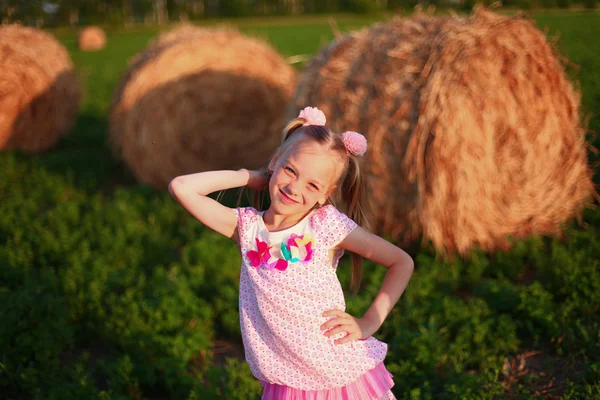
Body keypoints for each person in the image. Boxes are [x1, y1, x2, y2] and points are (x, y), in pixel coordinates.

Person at [169, 106, 414, 400]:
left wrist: (369, 322)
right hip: (288, 381)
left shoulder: (325, 225)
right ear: (275, 161)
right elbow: (181, 187)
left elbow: (400, 261)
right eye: (290, 170)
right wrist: (252, 176)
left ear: (326, 193)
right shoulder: (246, 228)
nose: (295, 188)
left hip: (339, 375)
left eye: (312, 185)